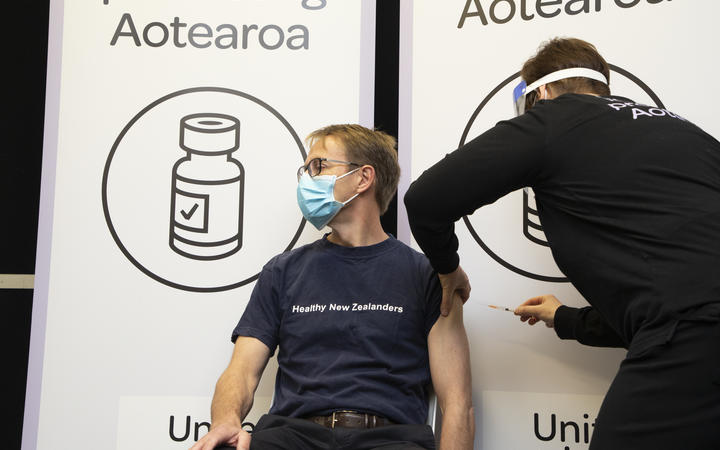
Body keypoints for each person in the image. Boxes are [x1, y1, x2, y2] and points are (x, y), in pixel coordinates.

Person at [403, 37, 720, 449]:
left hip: (694, 335)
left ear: (542, 92)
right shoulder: (689, 133)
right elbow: (667, 293)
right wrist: (567, 318)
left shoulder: (555, 119)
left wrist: (448, 268)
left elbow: (425, 199)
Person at [191, 124, 474, 450]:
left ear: (363, 178)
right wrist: (226, 420)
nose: (306, 180)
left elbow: (458, 404)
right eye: (305, 170)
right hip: (293, 438)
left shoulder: (427, 275)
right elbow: (241, 372)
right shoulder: (282, 271)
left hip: (388, 440)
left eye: (319, 167)